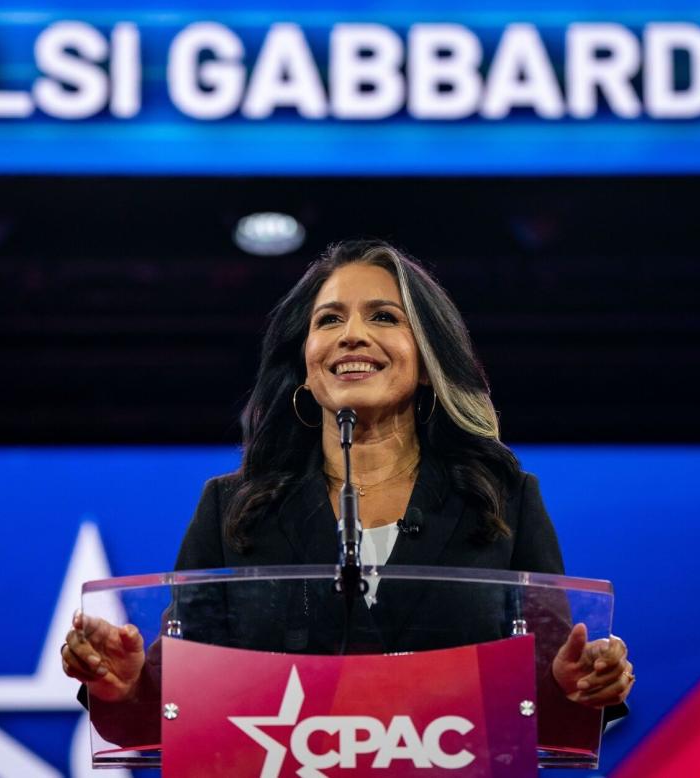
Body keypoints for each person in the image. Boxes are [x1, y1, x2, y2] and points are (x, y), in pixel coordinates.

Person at [62, 240, 634, 733]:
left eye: (384, 317)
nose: (352, 335)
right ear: (305, 366)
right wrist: (126, 685)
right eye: (329, 320)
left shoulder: (501, 500)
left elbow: (550, 696)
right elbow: (172, 703)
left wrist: (578, 683)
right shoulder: (232, 510)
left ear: (428, 357)